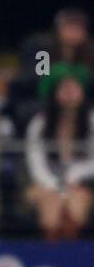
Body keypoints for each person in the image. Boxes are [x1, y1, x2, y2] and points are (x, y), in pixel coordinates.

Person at [24, 74, 94, 239]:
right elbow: (36, 164)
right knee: (51, 203)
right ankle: (52, 258)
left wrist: (75, 176)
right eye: (64, 88)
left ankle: (70, 258)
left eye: (74, 87)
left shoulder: (92, 122)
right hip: (46, 183)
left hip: (81, 183)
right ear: (54, 93)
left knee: (77, 200)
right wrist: (57, 187)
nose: (69, 92)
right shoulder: (39, 123)